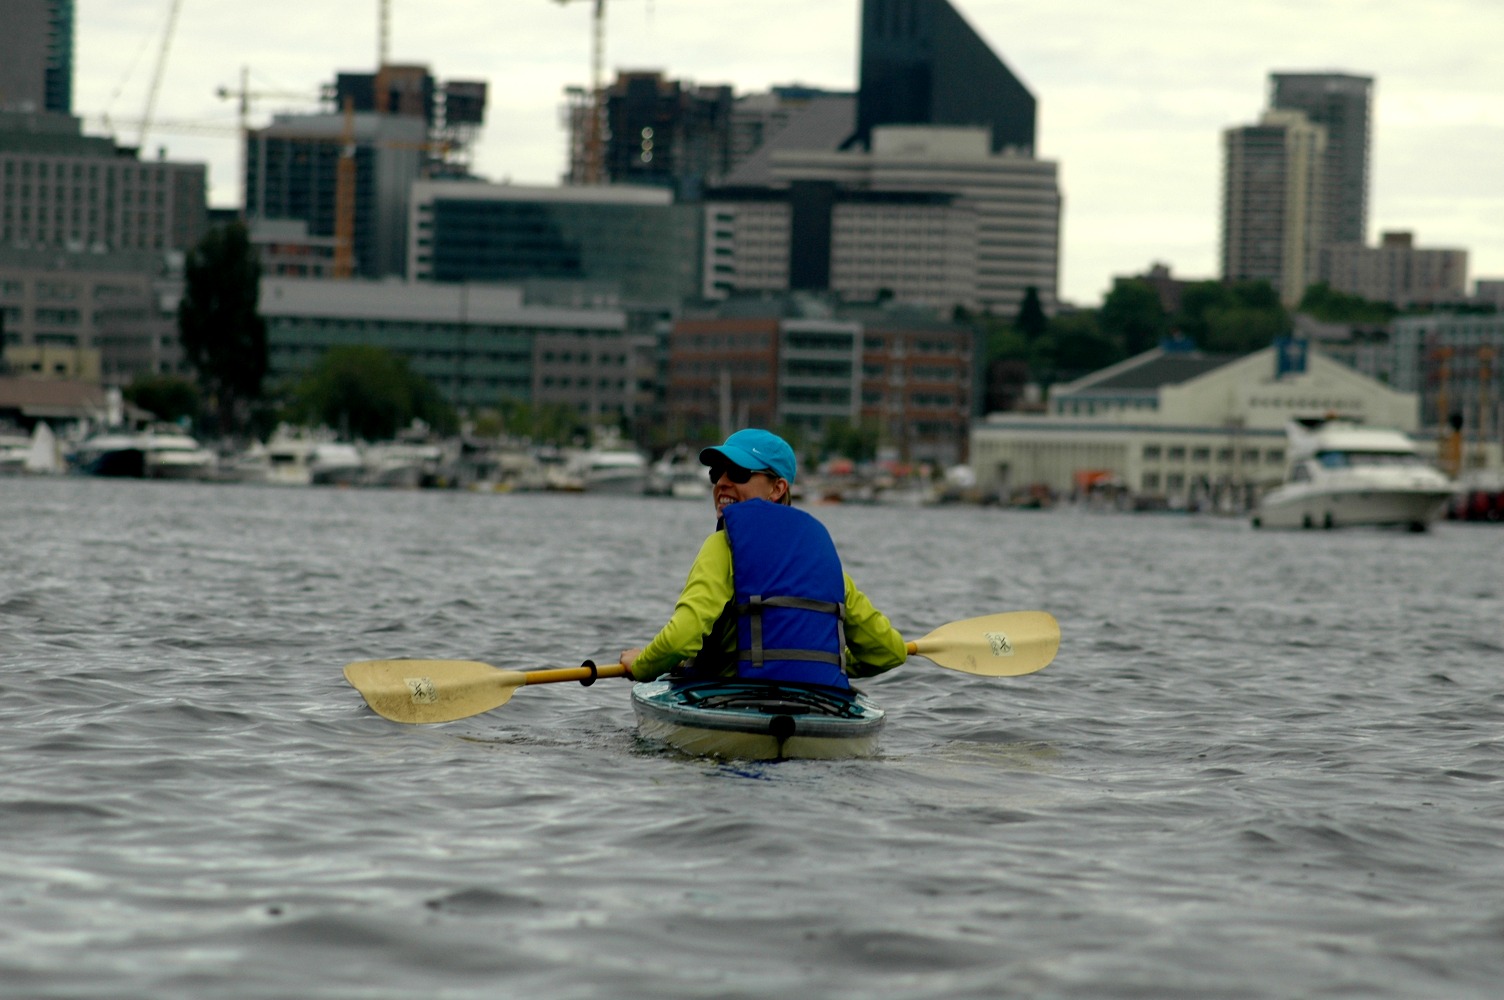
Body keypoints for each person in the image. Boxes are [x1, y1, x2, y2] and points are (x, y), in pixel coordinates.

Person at [619, 429, 907, 687]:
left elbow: (680, 639)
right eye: (716, 473)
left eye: (739, 473)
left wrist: (643, 665)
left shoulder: (722, 546)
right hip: (820, 711)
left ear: (777, 488)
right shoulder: (822, 560)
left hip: (735, 707)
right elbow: (888, 652)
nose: (721, 483)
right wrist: (828, 662)